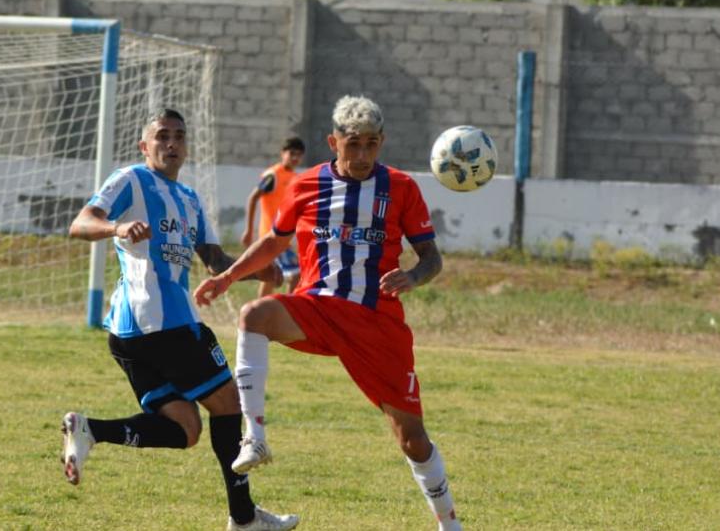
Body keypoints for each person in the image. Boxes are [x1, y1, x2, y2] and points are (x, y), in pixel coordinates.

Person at [194, 96, 463, 531]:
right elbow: (275, 243)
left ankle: (450, 525)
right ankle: (255, 438)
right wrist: (227, 276)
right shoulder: (305, 185)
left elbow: (432, 257)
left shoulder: (401, 188)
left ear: (382, 143)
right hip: (316, 308)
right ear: (332, 141)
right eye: (352, 145)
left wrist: (414, 277)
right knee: (254, 314)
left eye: (371, 145)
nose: (361, 156)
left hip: (377, 326)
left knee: (412, 440)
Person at [63, 108, 300, 531]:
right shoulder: (131, 179)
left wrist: (257, 269)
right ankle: (244, 519)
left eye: (178, 137)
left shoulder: (191, 201)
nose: (171, 144)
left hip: (131, 334)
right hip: (161, 323)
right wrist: (117, 228)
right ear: (145, 146)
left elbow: (214, 261)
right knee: (228, 402)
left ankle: (89, 430)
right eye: (162, 137)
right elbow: (81, 223)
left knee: (185, 429)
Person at [241, 137, 306, 298]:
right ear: (282, 153)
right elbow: (253, 197)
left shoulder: (295, 177)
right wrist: (249, 230)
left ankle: (260, 315)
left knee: (269, 277)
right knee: (297, 274)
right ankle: (290, 311)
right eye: (291, 153)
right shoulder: (273, 176)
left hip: (283, 237)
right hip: (272, 236)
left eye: (299, 155)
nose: (295, 158)